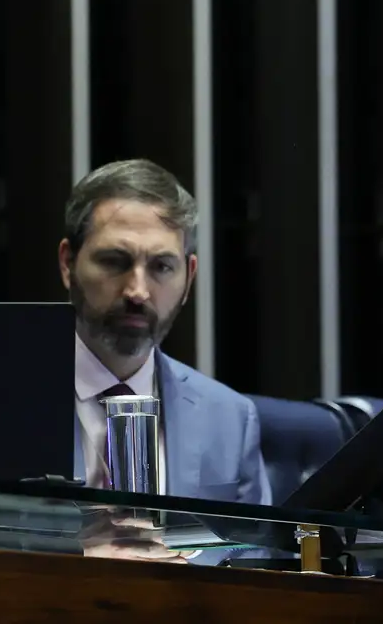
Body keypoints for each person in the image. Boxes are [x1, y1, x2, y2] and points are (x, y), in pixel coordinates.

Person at [59, 158, 271, 506]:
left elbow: (257, 555)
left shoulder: (230, 419)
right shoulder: (3, 401)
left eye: (161, 266)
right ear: (68, 263)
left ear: (188, 277)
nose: (138, 291)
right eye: (115, 261)